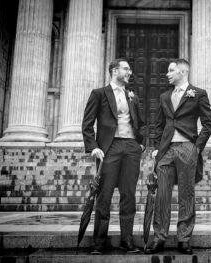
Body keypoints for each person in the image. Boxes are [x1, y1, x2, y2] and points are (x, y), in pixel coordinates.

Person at [145, 58, 211, 255]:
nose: (167, 74)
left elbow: (209, 124)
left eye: (171, 70)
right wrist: (157, 147)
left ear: (183, 72)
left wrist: (197, 147)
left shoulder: (198, 93)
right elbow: (159, 124)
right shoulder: (164, 96)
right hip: (166, 150)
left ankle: (184, 238)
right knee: (162, 195)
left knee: (186, 193)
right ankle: (159, 238)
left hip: (187, 147)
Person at [82, 58, 145, 255]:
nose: (130, 72)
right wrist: (93, 147)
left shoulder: (132, 95)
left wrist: (140, 144)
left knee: (129, 195)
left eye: (129, 69)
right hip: (109, 148)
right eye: (126, 69)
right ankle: (99, 243)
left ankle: (127, 241)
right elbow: (87, 123)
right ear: (114, 70)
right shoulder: (99, 93)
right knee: (104, 195)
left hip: (131, 147)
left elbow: (140, 122)